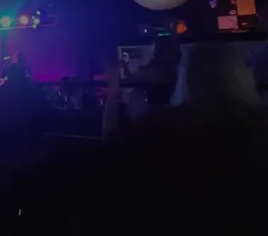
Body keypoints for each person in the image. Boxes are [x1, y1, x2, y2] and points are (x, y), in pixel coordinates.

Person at [93, 42, 268, 233]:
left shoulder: (161, 126)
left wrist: (113, 94)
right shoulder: (259, 125)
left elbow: (111, 145)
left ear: (185, 79)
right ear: (243, 76)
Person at [103, 35, 180, 139]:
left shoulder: (150, 71)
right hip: (161, 114)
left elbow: (131, 81)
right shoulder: (172, 72)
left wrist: (113, 87)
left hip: (145, 115)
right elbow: (133, 80)